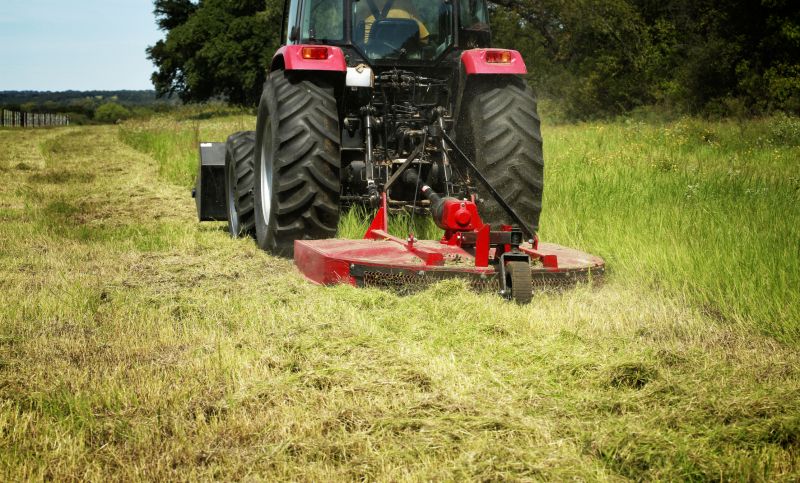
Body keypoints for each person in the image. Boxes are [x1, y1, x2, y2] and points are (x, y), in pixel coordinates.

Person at [361, 0, 429, 44]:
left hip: (367, 56)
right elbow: (425, 39)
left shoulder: (361, 5)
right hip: (404, 56)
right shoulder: (406, 4)